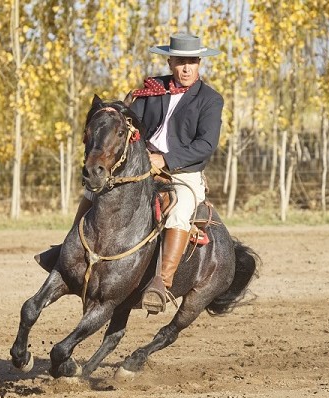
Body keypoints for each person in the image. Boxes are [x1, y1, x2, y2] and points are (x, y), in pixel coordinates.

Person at [35, 32, 223, 313]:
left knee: (181, 209)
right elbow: (132, 124)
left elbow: (206, 145)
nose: (186, 68)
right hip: (143, 164)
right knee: (95, 189)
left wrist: (167, 160)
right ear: (170, 62)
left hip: (182, 172)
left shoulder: (210, 99)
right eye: (181, 62)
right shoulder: (153, 89)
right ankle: (66, 251)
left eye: (192, 62)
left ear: (199, 63)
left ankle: (162, 282)